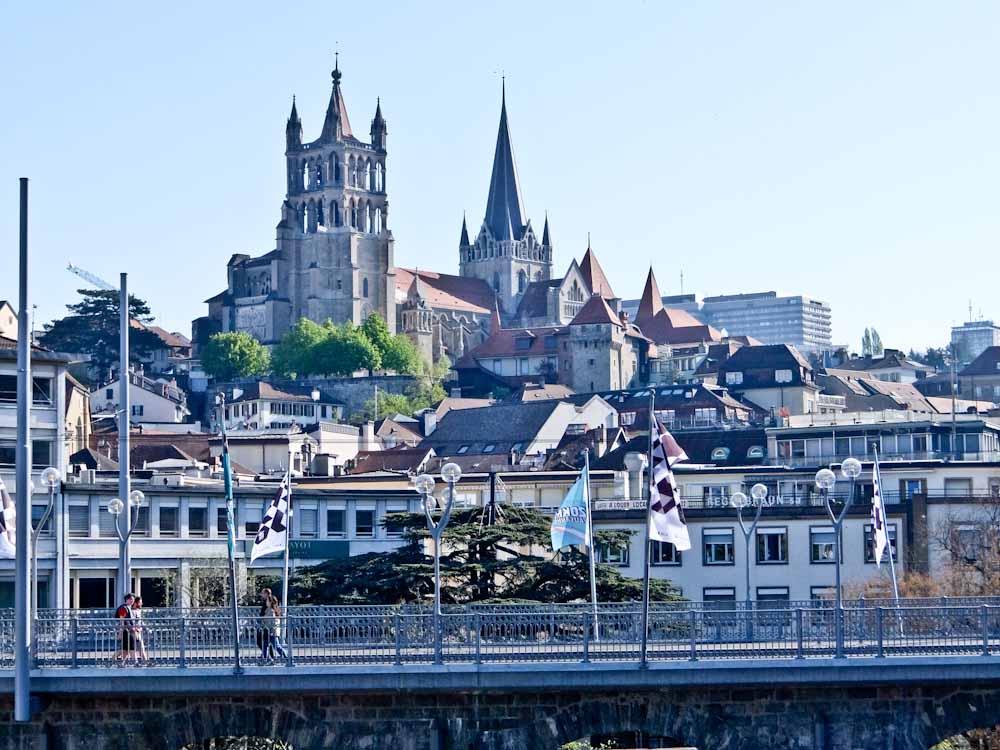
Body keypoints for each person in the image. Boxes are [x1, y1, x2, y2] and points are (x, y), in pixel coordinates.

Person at [114, 593, 135, 664]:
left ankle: (115, 661)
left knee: (125, 649)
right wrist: (121, 632)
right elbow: (122, 620)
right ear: (127, 600)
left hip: (129, 630)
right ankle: (135, 662)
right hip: (126, 631)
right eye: (131, 599)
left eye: (133, 599)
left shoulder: (128, 608)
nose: (132, 601)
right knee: (131, 647)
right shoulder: (123, 608)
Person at [132, 596, 149, 664]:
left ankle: (145, 662)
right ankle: (141, 662)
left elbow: (141, 621)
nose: (141, 604)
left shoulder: (139, 611)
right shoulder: (132, 611)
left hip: (138, 632)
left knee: (140, 648)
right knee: (130, 649)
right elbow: (132, 622)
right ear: (136, 603)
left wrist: (145, 628)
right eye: (140, 602)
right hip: (133, 632)